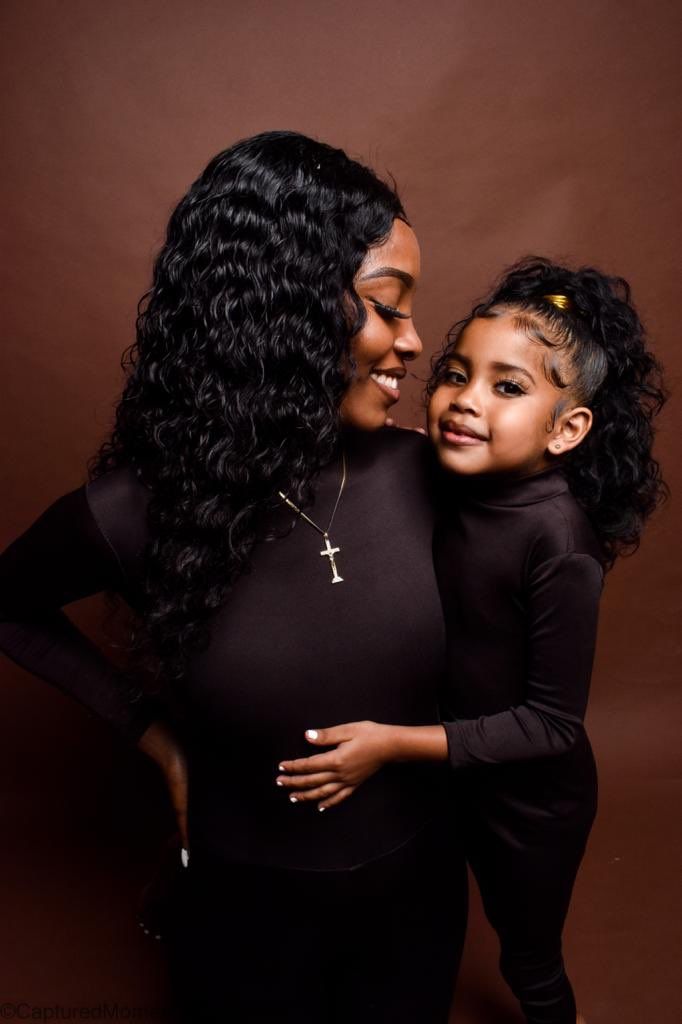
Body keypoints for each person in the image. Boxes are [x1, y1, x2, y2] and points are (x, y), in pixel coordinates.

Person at [0, 131, 467, 1023]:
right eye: (385, 305)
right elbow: (9, 607)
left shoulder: (426, 475)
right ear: (286, 307)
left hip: (418, 911)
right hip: (243, 924)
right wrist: (153, 735)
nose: (413, 341)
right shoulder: (135, 511)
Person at [276, 257, 667, 1024]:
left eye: (508, 387)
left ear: (568, 429)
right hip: (435, 776)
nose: (464, 400)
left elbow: (551, 727)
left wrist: (392, 744)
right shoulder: (439, 470)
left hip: (526, 804)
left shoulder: (558, 542)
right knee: (411, 914)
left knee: (526, 951)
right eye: (457, 374)